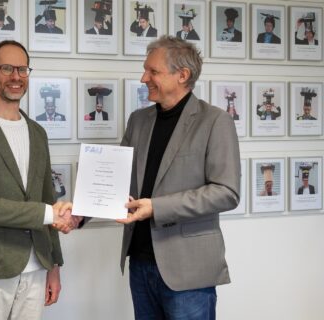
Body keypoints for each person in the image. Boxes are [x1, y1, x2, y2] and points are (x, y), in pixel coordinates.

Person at [113, 35, 240, 319]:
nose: (144, 77)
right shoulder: (138, 120)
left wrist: (157, 207)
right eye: (146, 69)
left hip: (189, 270)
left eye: (153, 71)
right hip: (140, 263)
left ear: (183, 75)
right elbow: (117, 178)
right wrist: (82, 210)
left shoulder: (215, 121)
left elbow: (226, 192)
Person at [0, 40, 76, 320]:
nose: (16, 77)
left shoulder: (37, 132)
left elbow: (47, 196)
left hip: (36, 271)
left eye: (22, 69)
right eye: (7, 68)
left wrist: (54, 265)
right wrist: (49, 213)